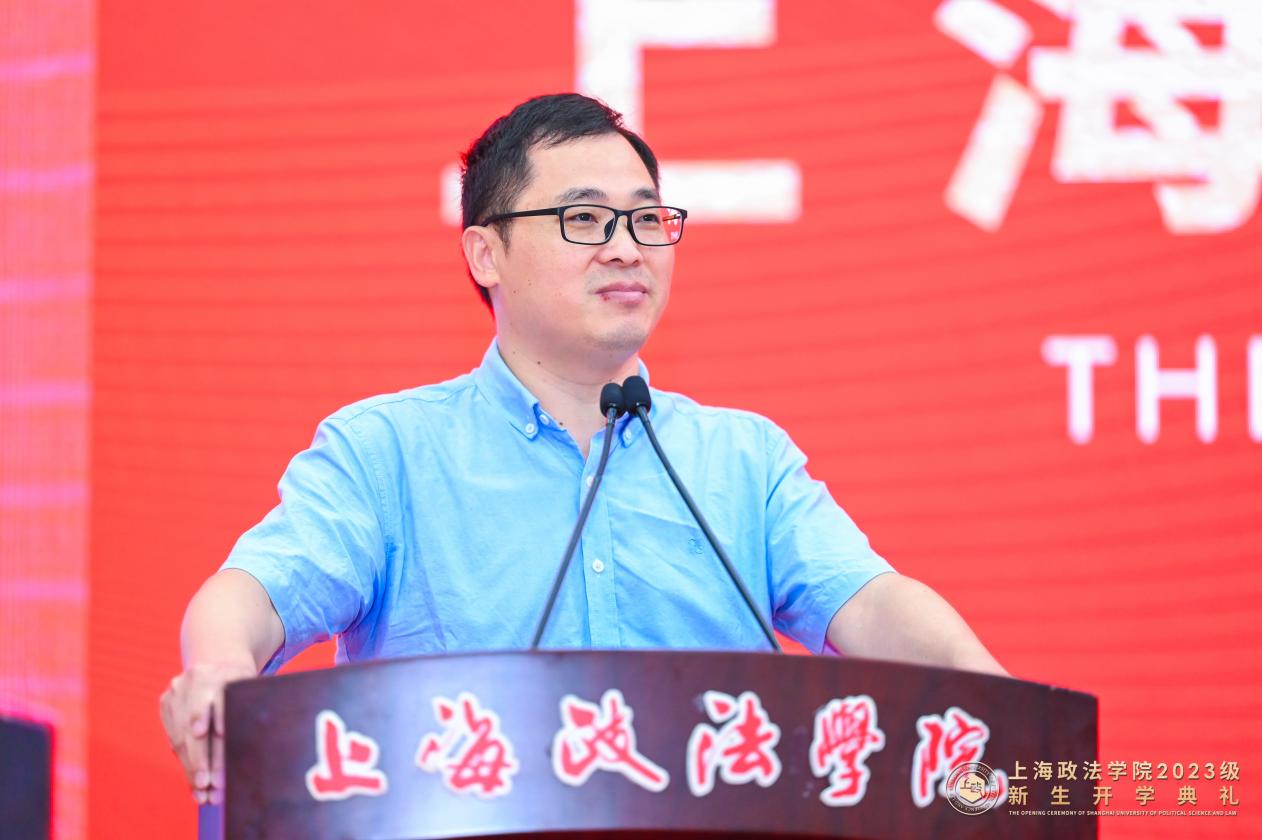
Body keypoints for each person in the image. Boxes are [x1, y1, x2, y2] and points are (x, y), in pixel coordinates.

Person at [159, 92, 1007, 805]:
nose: (627, 247)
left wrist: (989, 691)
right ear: (485, 252)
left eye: (647, 219)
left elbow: (868, 605)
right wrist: (222, 666)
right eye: (585, 218)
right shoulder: (388, 453)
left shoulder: (743, 460)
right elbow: (257, 592)